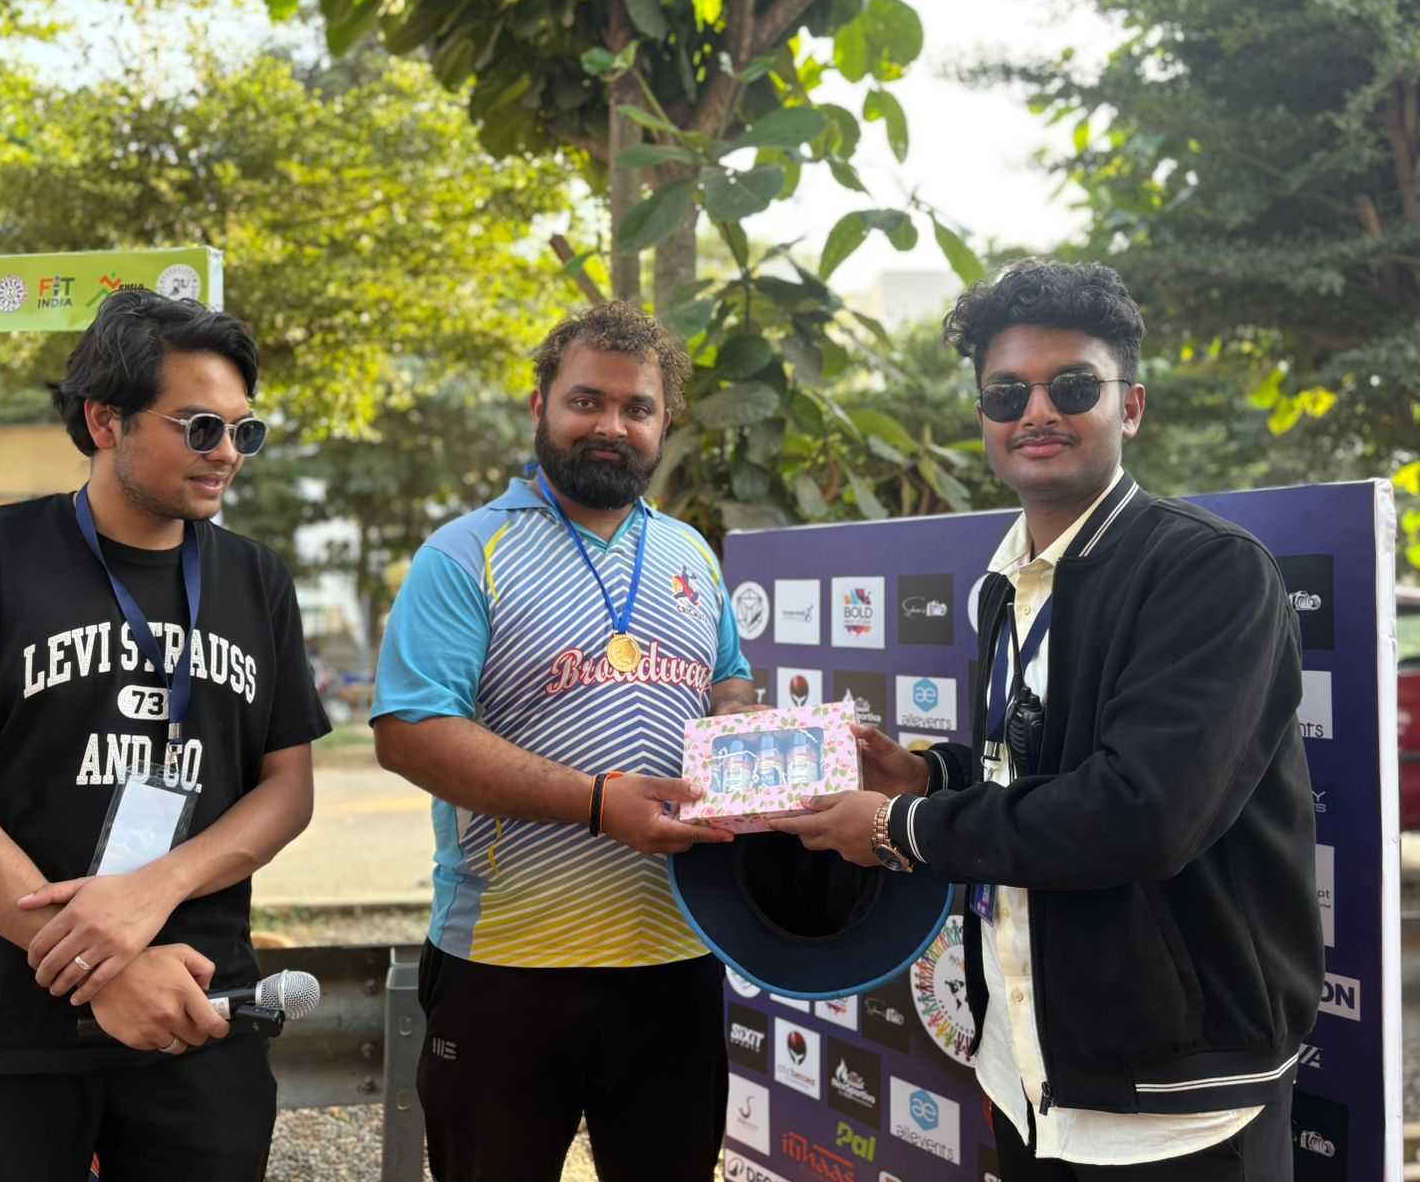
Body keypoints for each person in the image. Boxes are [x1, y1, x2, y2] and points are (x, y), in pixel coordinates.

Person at [775, 259, 1322, 1180]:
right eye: (1006, 393)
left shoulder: (1208, 572)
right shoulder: (1006, 584)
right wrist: (929, 778)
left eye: (1072, 386)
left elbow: (1141, 811)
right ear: (983, 418)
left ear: (1131, 406)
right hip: (1026, 1076)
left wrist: (900, 827)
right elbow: (1037, 766)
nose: (1037, 413)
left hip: (1176, 1108)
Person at [0, 288, 330, 1181]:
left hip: (198, 1010)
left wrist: (153, 891)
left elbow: (286, 790)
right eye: (200, 428)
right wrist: (107, 968)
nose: (228, 453)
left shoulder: (256, 579)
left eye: (244, 431)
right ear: (103, 419)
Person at [372, 301, 757, 1182]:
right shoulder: (466, 553)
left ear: (666, 423)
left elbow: (729, 674)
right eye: (587, 402)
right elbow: (411, 734)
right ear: (540, 403)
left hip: (677, 957)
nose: (612, 426)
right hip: (508, 967)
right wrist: (594, 804)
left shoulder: (693, 554)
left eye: (637, 408)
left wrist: (736, 719)